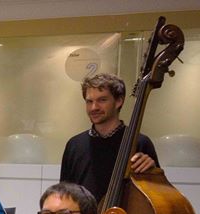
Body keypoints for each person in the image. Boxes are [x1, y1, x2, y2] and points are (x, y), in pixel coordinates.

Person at [60, 73, 158, 204]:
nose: (94, 107)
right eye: (89, 101)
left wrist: (153, 171)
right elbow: (65, 194)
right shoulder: (74, 144)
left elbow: (155, 193)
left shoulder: (139, 142)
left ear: (118, 101)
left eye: (102, 100)